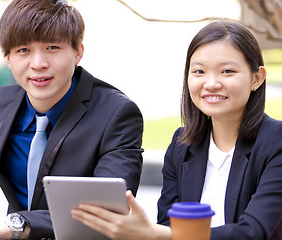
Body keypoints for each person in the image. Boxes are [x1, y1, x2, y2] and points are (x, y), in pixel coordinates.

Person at [0, 0, 143, 239]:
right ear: (7, 58)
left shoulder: (117, 114)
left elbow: (106, 212)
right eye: (23, 51)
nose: (38, 64)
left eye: (52, 48)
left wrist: (5, 227)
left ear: (78, 51)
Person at [71, 19, 282, 240]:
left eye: (227, 71)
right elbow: (167, 224)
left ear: (256, 78)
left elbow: (254, 232)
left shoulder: (275, 141)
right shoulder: (182, 145)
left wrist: (157, 234)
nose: (211, 83)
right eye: (199, 71)